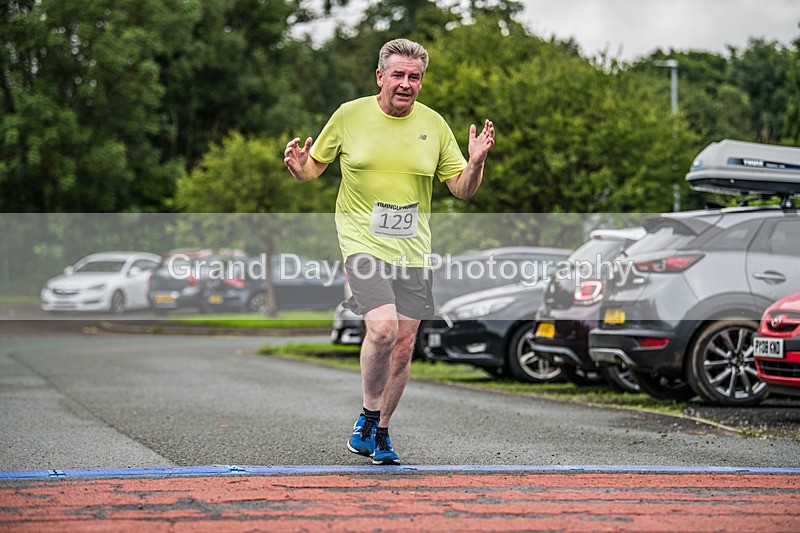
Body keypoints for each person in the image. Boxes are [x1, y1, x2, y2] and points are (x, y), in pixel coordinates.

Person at [284, 38, 494, 464]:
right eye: (397, 75)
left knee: (403, 343)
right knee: (382, 329)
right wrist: (299, 166)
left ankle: (380, 432)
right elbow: (313, 169)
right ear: (379, 76)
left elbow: (461, 190)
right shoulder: (349, 115)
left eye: (414, 77)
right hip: (361, 241)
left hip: (412, 249)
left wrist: (475, 164)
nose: (405, 84)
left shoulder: (434, 125)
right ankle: (367, 414)